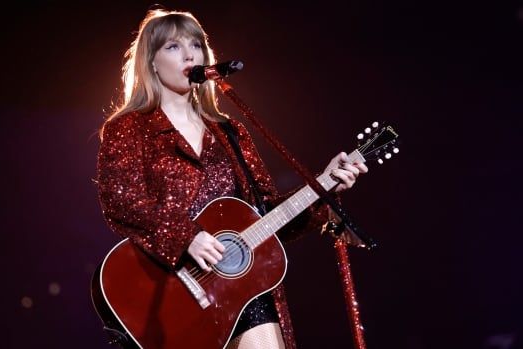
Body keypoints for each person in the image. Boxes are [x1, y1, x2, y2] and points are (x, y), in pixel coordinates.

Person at [96, 8, 368, 349]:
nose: (190, 53)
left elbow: (267, 214)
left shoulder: (230, 132)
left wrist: (323, 186)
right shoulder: (130, 128)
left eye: (195, 44)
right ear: (151, 61)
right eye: (173, 47)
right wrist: (186, 237)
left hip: (241, 290)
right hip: (171, 288)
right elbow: (122, 202)